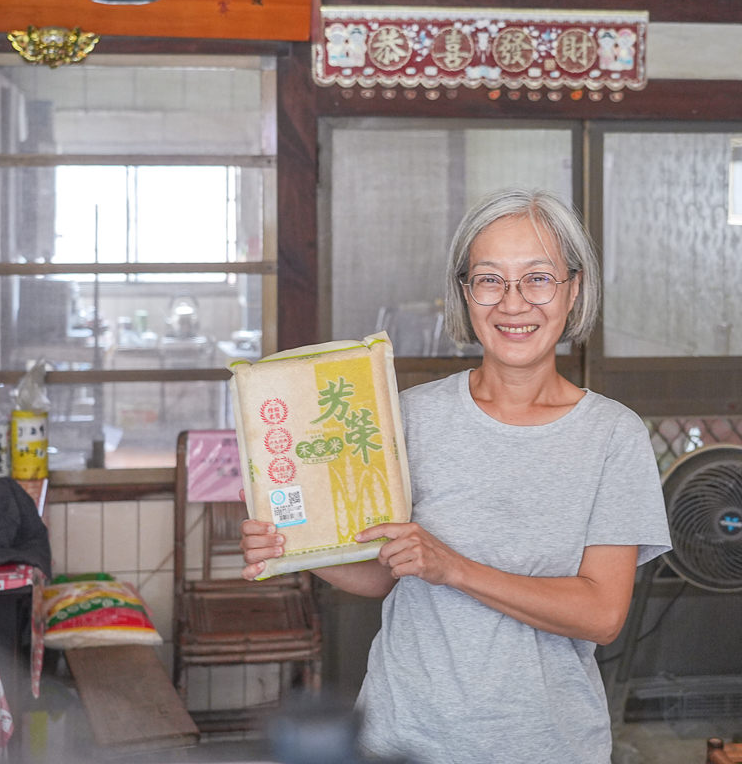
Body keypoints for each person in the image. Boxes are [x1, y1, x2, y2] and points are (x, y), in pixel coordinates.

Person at [240, 187, 671, 764]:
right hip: (401, 737)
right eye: (489, 279)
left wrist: (455, 569)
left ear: (574, 289)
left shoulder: (613, 437)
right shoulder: (409, 417)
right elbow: (382, 574)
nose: (513, 304)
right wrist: (294, 545)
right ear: (465, 293)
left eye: (538, 278)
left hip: (546, 744)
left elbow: (602, 614)